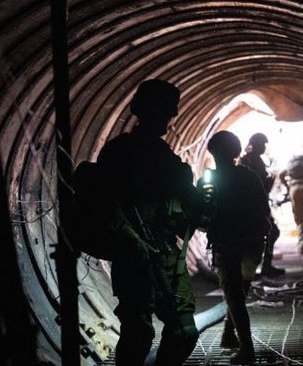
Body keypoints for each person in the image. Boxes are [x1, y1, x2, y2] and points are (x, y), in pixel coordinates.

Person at [95, 79, 207, 366]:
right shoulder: (118, 153)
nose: (168, 121)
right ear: (145, 111)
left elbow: (189, 206)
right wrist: (131, 239)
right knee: (138, 332)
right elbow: (104, 204)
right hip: (133, 255)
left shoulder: (164, 155)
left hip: (167, 254)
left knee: (184, 331)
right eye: (165, 113)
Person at [196, 131, 271, 365]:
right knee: (241, 290)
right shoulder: (250, 177)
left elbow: (201, 219)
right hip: (252, 243)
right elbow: (263, 208)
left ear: (212, 153)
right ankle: (229, 335)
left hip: (227, 244)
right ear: (237, 152)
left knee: (234, 294)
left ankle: (246, 349)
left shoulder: (209, 182)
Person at [238, 132, 286, 276]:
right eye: (262, 144)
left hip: (247, 205)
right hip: (255, 206)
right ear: (256, 145)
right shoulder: (254, 161)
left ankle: (249, 267)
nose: (264, 147)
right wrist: (270, 180)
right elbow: (259, 185)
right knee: (271, 232)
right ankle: (263, 266)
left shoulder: (247, 159)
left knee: (258, 234)